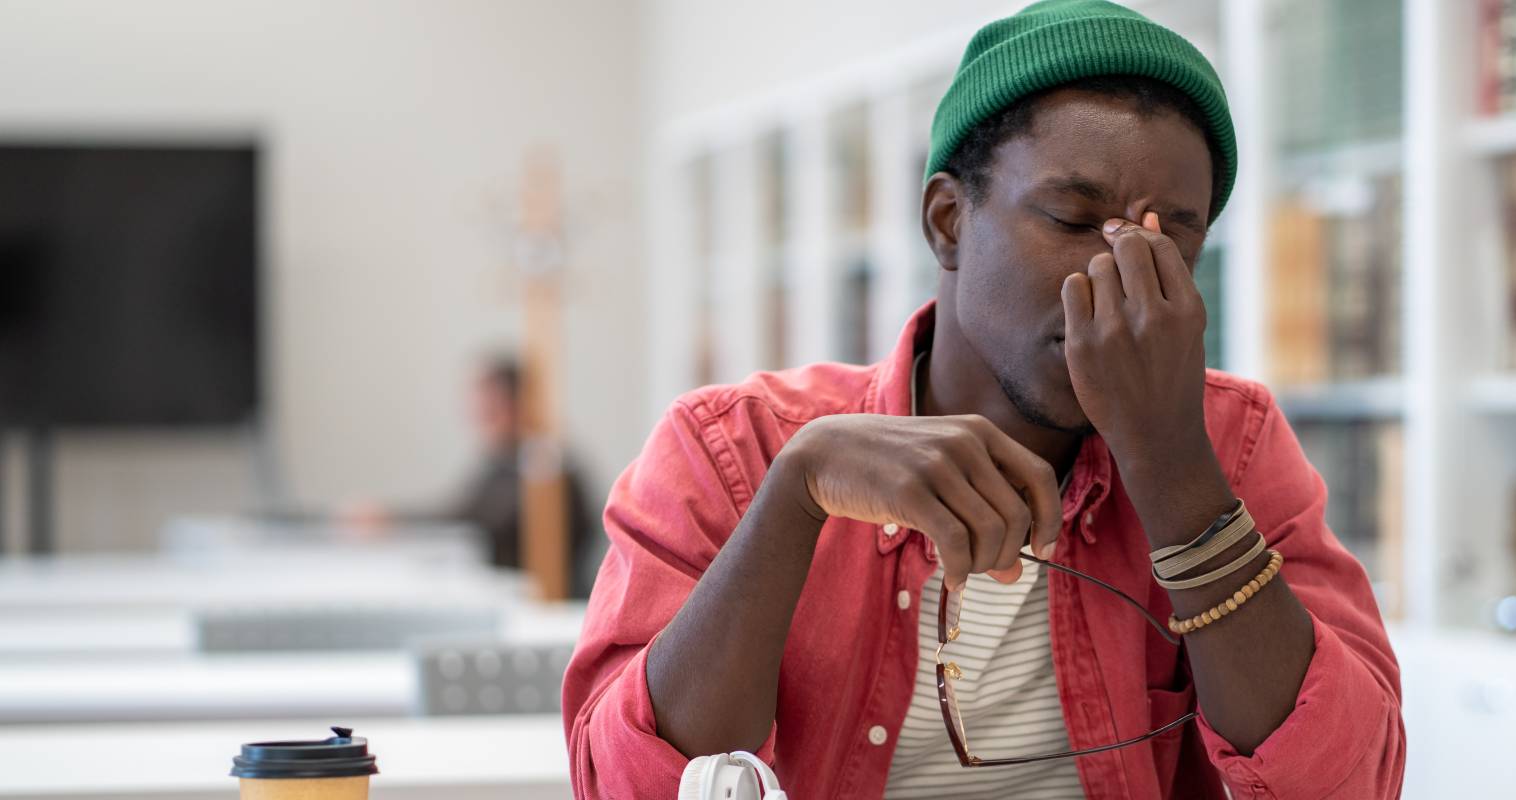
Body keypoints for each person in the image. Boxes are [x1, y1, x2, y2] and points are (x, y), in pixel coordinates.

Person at [562, 2, 1403, 797]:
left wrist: (1173, 460)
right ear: (947, 222)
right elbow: (625, 782)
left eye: (1170, 239)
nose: (1117, 277)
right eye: (1075, 218)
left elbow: (1354, 781)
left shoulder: (1230, 440)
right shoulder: (737, 448)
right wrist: (796, 496)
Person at [349, 354, 602, 599]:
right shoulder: (502, 462)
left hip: (555, 601)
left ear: (517, 406)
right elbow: (464, 509)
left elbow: (478, 516)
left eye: (491, 411)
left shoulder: (543, 463)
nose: (480, 420)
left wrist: (394, 521)